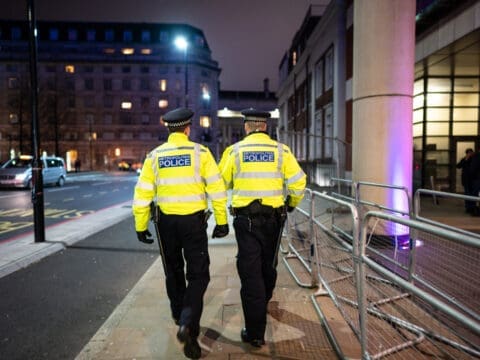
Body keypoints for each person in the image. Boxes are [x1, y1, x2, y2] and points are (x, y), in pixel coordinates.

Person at [132, 107, 229, 359]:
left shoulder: (154, 156)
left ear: (168, 129)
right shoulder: (201, 153)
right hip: (194, 224)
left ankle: (179, 315)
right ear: (187, 129)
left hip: (166, 224)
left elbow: (142, 194)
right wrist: (221, 221)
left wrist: (140, 225)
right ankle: (188, 324)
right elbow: (217, 189)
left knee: (173, 271)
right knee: (198, 275)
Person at [218, 108, 306, 347]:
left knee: (250, 272)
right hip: (274, 219)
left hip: (245, 221)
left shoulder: (234, 151)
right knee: (268, 266)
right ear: (265, 126)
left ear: (247, 126)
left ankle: (255, 333)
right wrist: (291, 204)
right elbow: (299, 182)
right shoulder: (281, 151)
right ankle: (262, 302)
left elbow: (220, 183)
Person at [456, 148, 474, 213]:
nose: (470, 154)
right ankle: (468, 208)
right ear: (466, 154)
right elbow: (458, 166)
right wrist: (465, 160)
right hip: (466, 180)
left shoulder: (474, 159)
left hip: (473, 180)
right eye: (469, 153)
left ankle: (472, 207)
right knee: (467, 193)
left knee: (473, 194)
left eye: (471, 153)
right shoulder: (464, 159)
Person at [468, 148, 480, 216]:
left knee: (474, 194)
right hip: (477, 178)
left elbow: (473, 169)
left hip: (477, 179)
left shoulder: (476, 157)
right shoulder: (476, 156)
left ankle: (474, 210)